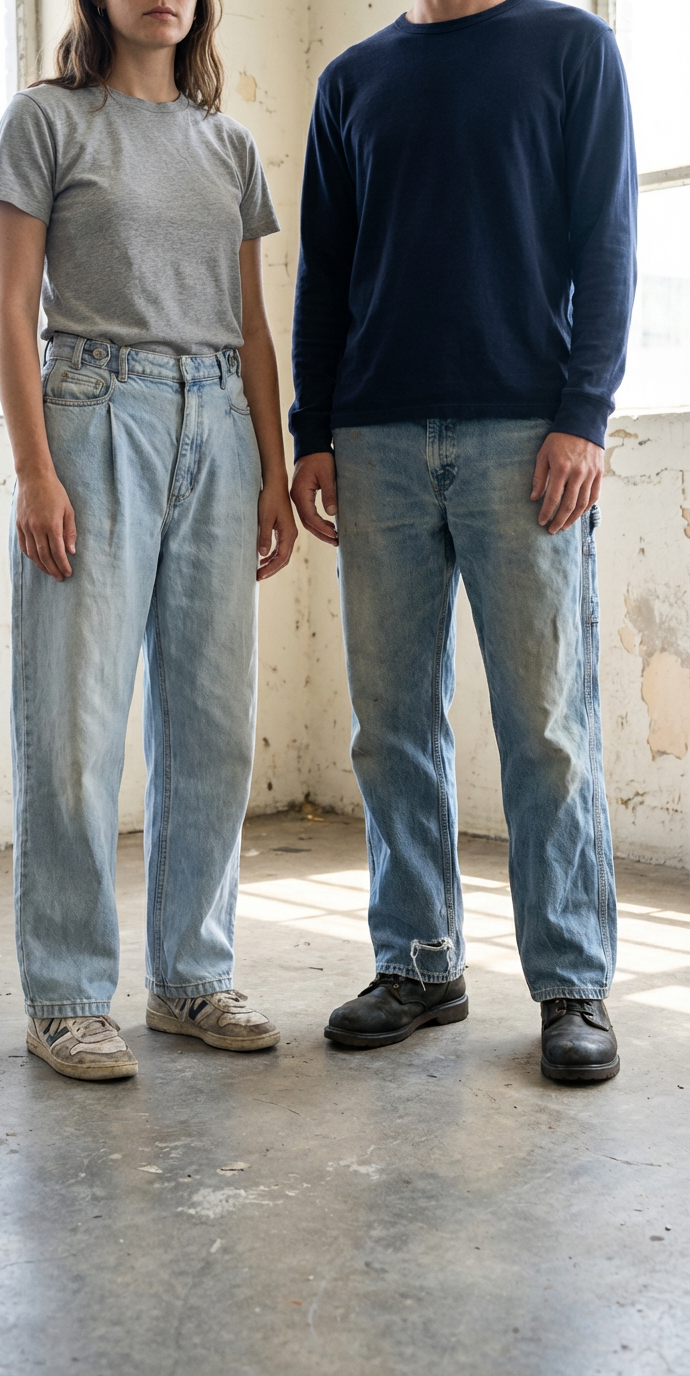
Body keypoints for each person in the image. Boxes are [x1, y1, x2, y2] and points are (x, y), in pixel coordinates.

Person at [289, 0, 636, 1081]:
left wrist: (585, 414)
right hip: (376, 435)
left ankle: (572, 979)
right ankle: (421, 961)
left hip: (524, 433)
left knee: (544, 719)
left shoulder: (572, 45)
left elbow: (609, 234)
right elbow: (325, 271)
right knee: (390, 720)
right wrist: (314, 429)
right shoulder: (351, 79)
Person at [0, 0, 297, 1081]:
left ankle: (192, 977)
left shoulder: (229, 145)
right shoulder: (47, 120)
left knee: (212, 721)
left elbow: (252, 325)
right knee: (75, 720)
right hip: (93, 411)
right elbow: (13, 304)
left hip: (216, 418)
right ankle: (67, 994)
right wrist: (33, 468)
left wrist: (270, 463)